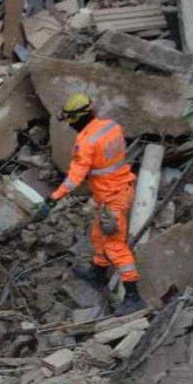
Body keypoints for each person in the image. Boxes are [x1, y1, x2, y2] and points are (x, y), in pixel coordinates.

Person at [42, 92, 144, 316]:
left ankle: (134, 296)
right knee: (99, 236)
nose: (71, 126)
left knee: (115, 246)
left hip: (112, 198)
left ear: (78, 118)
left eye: (71, 121)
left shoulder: (85, 142)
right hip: (119, 190)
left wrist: (53, 198)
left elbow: (74, 178)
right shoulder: (110, 127)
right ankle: (98, 274)